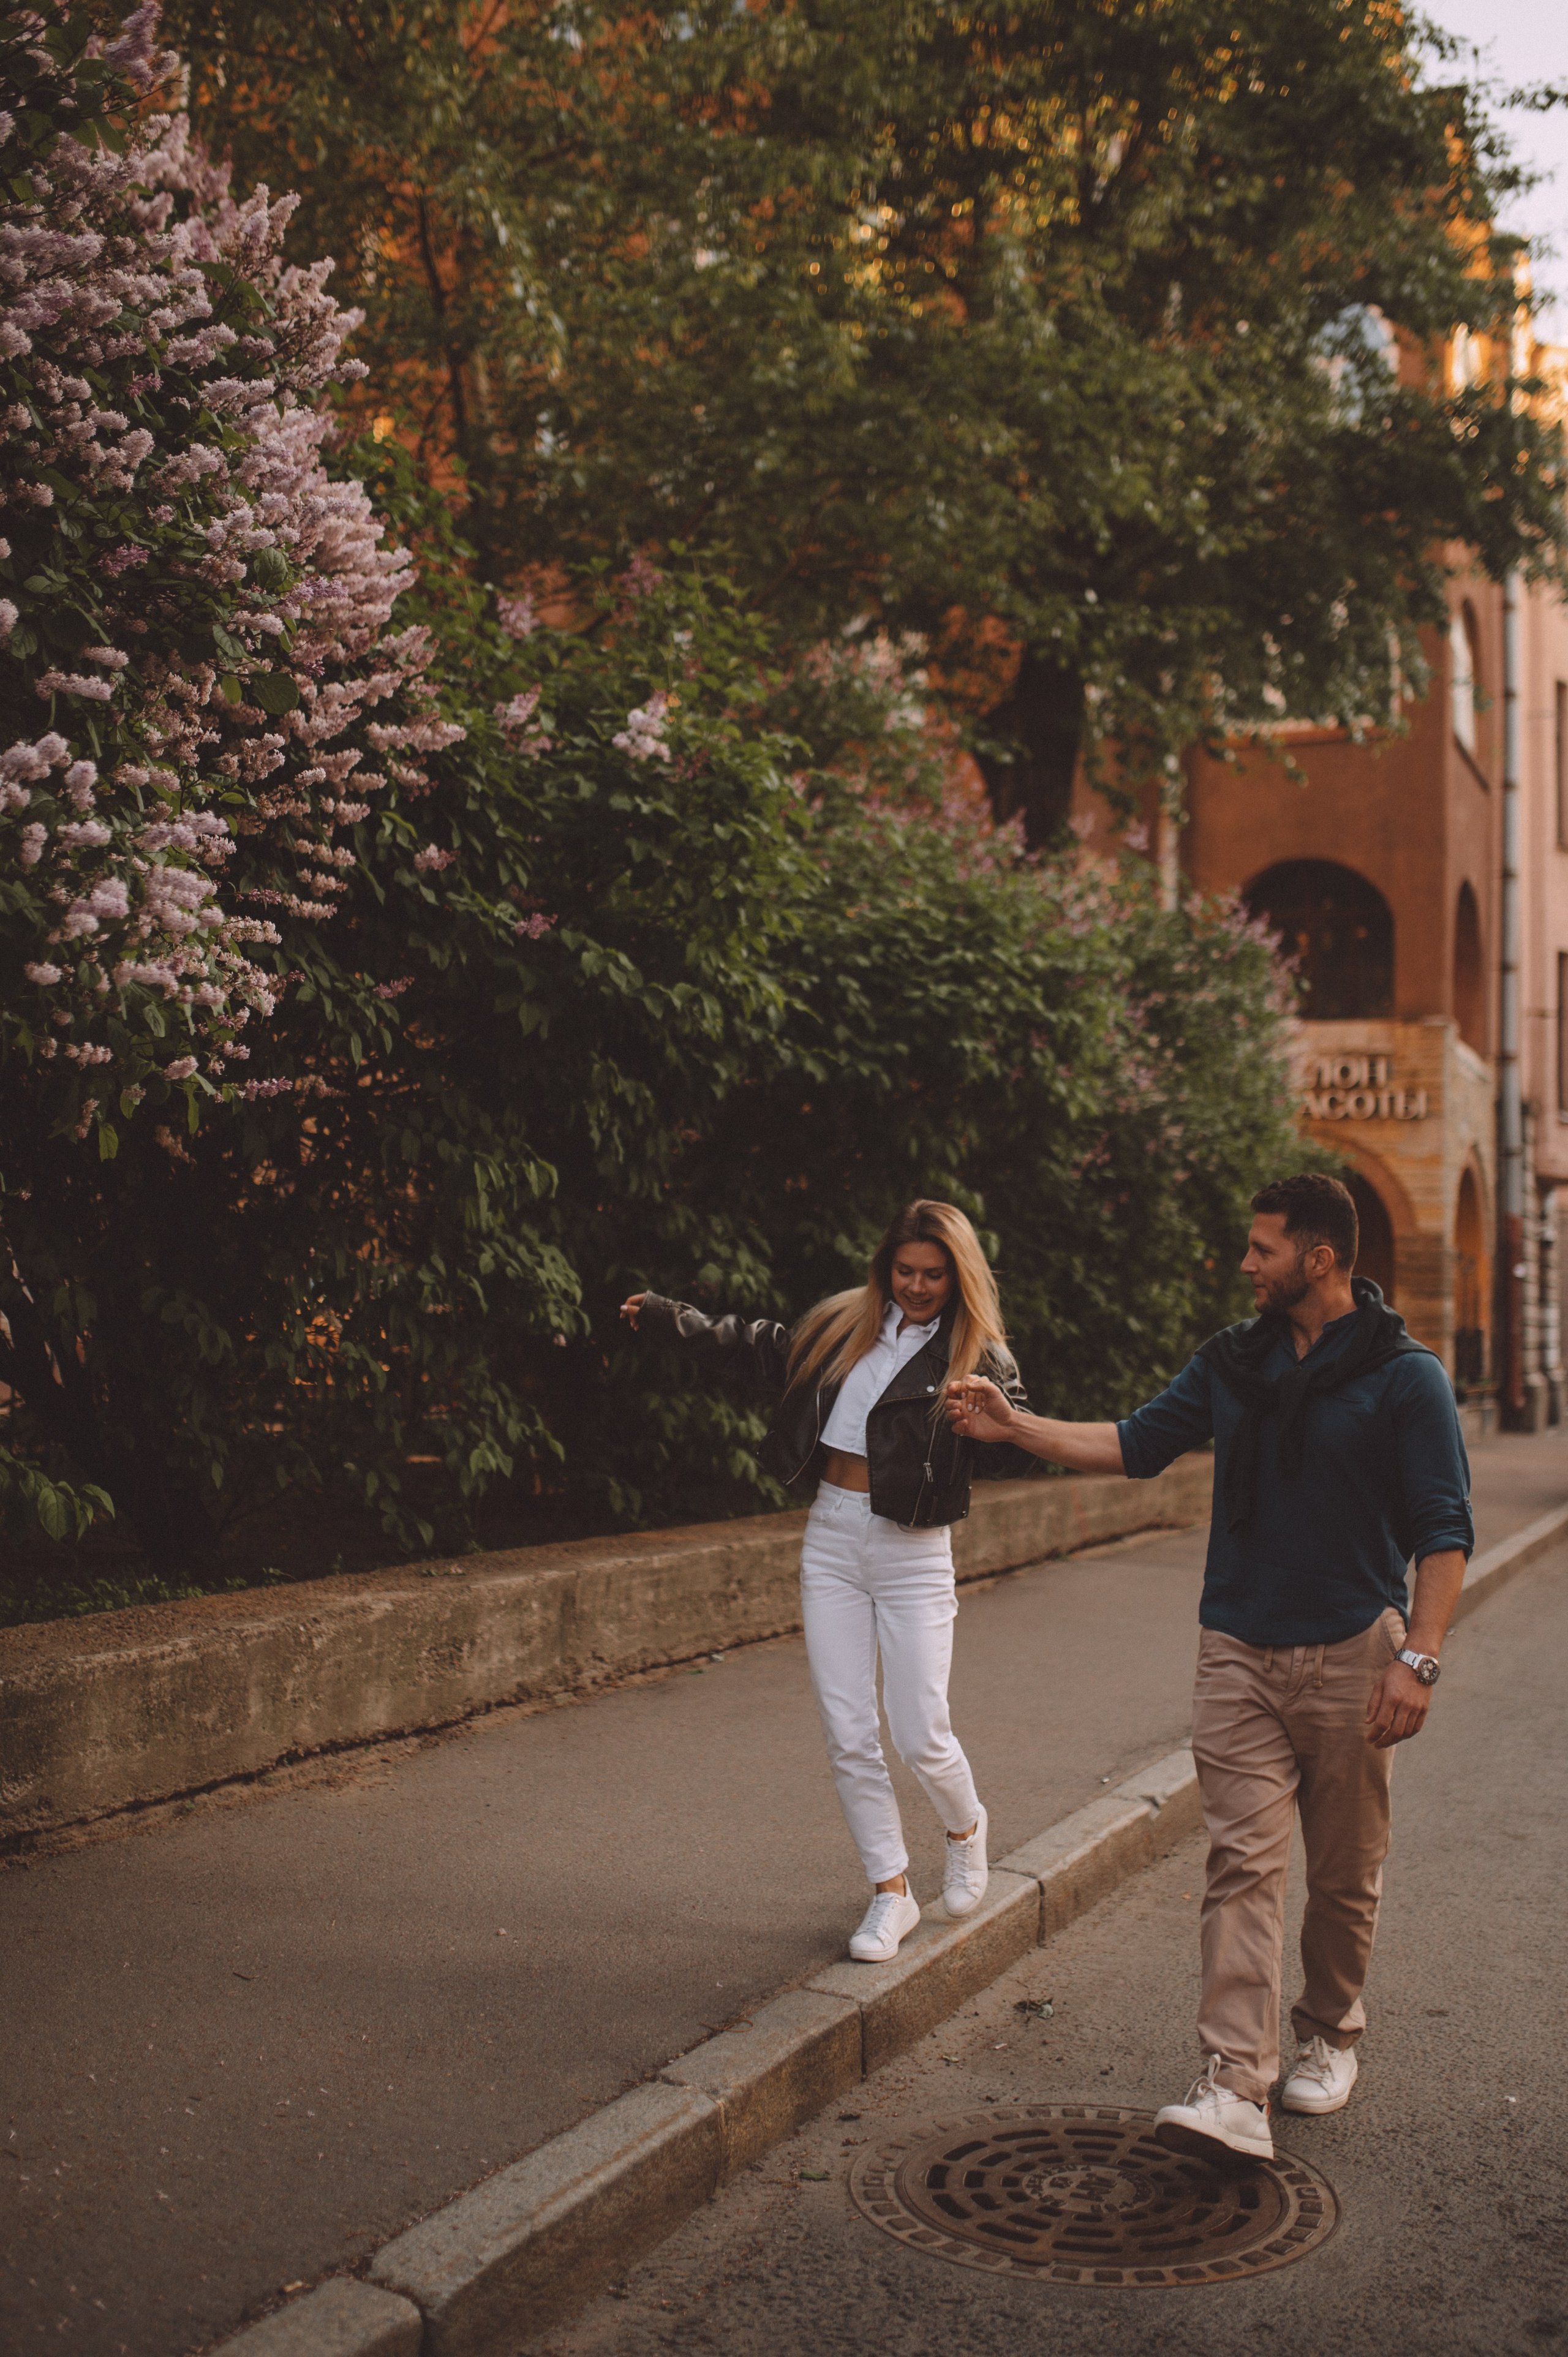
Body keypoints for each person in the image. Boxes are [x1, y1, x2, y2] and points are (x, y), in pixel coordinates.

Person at [948, 1172, 1472, 2162]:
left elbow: (1444, 1531)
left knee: (1346, 1876)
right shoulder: (1234, 1362)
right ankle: (1236, 2081)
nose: (1245, 1263)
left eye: (1263, 1248)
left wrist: (1420, 1658)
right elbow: (1138, 1443)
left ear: (1318, 1259)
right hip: (1236, 1647)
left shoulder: (1409, 1377)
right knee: (1241, 1862)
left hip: (1357, 1651)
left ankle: (1329, 2030)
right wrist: (1013, 1426)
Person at [622, 1201, 1035, 1964]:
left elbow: (1017, 1449)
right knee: (849, 1734)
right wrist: (662, 1316)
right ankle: (890, 1890)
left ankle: (965, 1827)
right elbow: (747, 1344)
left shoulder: (978, 1354)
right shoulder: (843, 1330)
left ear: (958, 1275)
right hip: (833, 1536)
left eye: (933, 1274)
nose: (915, 1285)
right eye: (904, 1270)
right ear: (886, 1267)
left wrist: (994, 1420)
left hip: (914, 1551)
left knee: (920, 1732)